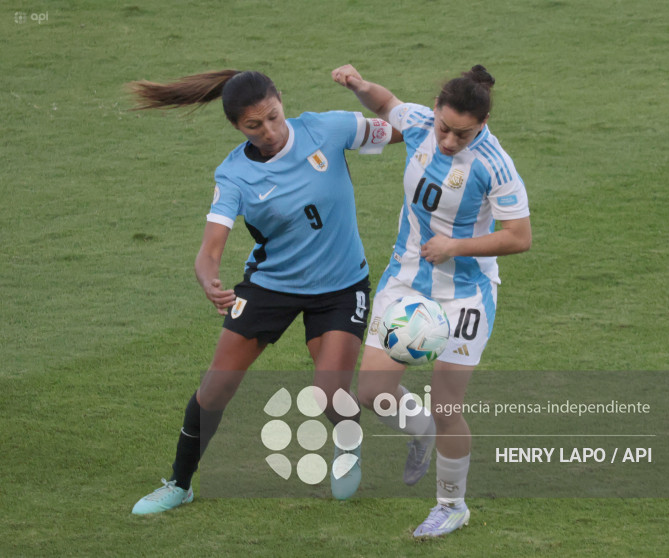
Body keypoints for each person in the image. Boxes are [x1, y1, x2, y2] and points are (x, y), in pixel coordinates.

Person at [128, 69, 396, 514]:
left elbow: (408, 129)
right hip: (271, 287)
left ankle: (349, 444)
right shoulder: (234, 174)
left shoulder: (326, 129)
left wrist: (443, 127)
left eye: (273, 117)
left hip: (342, 286)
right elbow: (209, 249)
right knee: (214, 390)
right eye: (255, 126)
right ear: (237, 127)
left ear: (281, 102)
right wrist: (208, 280)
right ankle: (179, 484)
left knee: (330, 392)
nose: (269, 132)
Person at [332, 64, 532, 538]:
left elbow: (519, 237)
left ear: (481, 125)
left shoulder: (494, 164)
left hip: (465, 297)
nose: (447, 140)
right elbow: (386, 104)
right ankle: (418, 429)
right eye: (444, 128)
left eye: (461, 134)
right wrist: (361, 86)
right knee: (373, 393)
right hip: (405, 280)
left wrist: (455, 246)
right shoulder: (421, 123)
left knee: (447, 407)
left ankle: (451, 505)